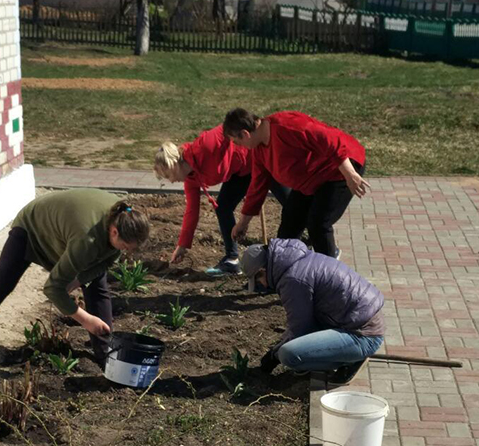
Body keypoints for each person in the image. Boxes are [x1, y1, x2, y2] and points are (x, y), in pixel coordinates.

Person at [0, 189, 150, 366]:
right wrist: (85, 319)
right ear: (114, 232)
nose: (126, 252)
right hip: (31, 227)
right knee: (0, 284)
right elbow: (52, 289)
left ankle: (106, 354)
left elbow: (102, 264)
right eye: (125, 246)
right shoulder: (86, 240)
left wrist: (76, 281)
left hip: (63, 231)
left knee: (97, 287)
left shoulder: (123, 220)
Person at [223, 108, 370, 258]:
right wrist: (243, 223)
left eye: (236, 141)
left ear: (245, 134)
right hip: (311, 179)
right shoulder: (259, 150)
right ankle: (281, 273)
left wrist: (350, 174)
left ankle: (328, 271)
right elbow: (258, 186)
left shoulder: (288, 126)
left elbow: (330, 140)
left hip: (339, 169)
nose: (237, 146)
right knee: (289, 223)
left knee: (318, 224)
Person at [240, 239, 385, 383]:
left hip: (362, 335)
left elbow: (301, 327)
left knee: (288, 355)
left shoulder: (293, 280)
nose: (262, 285)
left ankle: (350, 361)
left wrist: (275, 355)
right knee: (291, 348)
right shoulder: (297, 260)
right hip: (359, 320)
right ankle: (344, 355)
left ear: (262, 271)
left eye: (258, 281)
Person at [154, 125, 289, 275]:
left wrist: (258, 135)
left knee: (293, 205)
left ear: (173, 166)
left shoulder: (205, 146)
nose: (170, 181)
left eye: (168, 176)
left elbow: (230, 127)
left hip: (263, 157)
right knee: (223, 207)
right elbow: (191, 211)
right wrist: (182, 246)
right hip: (242, 171)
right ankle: (232, 260)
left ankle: (312, 248)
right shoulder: (191, 179)